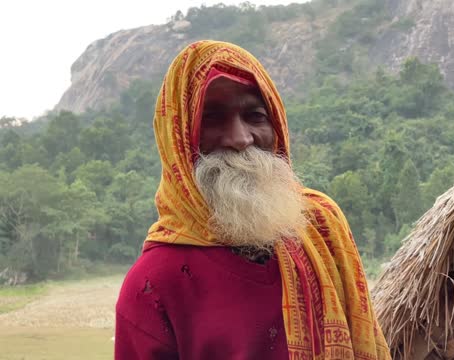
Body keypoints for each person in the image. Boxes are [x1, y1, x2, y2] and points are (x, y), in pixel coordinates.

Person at [115, 41, 391, 359]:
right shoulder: (153, 285)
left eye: (255, 116)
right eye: (213, 118)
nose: (240, 138)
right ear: (177, 137)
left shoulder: (320, 224)